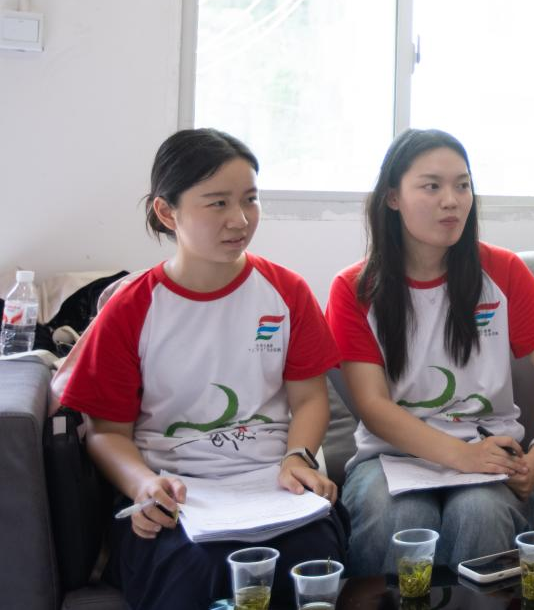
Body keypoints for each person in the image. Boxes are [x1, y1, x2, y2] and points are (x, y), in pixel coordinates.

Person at [60, 129, 346, 609]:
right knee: (197, 568)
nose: (240, 219)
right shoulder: (131, 307)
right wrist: (144, 486)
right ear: (166, 212)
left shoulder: (286, 291)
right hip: (178, 496)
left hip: (273, 487)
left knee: (312, 559)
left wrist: (297, 458)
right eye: (217, 203)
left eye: (250, 199)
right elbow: (107, 433)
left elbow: (310, 397)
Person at [326, 128, 534, 576]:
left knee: (478, 512)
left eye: (463, 185)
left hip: (489, 450)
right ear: (392, 197)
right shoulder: (354, 289)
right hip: (390, 457)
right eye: (432, 186)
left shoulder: (503, 270)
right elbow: (372, 405)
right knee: (398, 516)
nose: (452, 201)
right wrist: (461, 457)